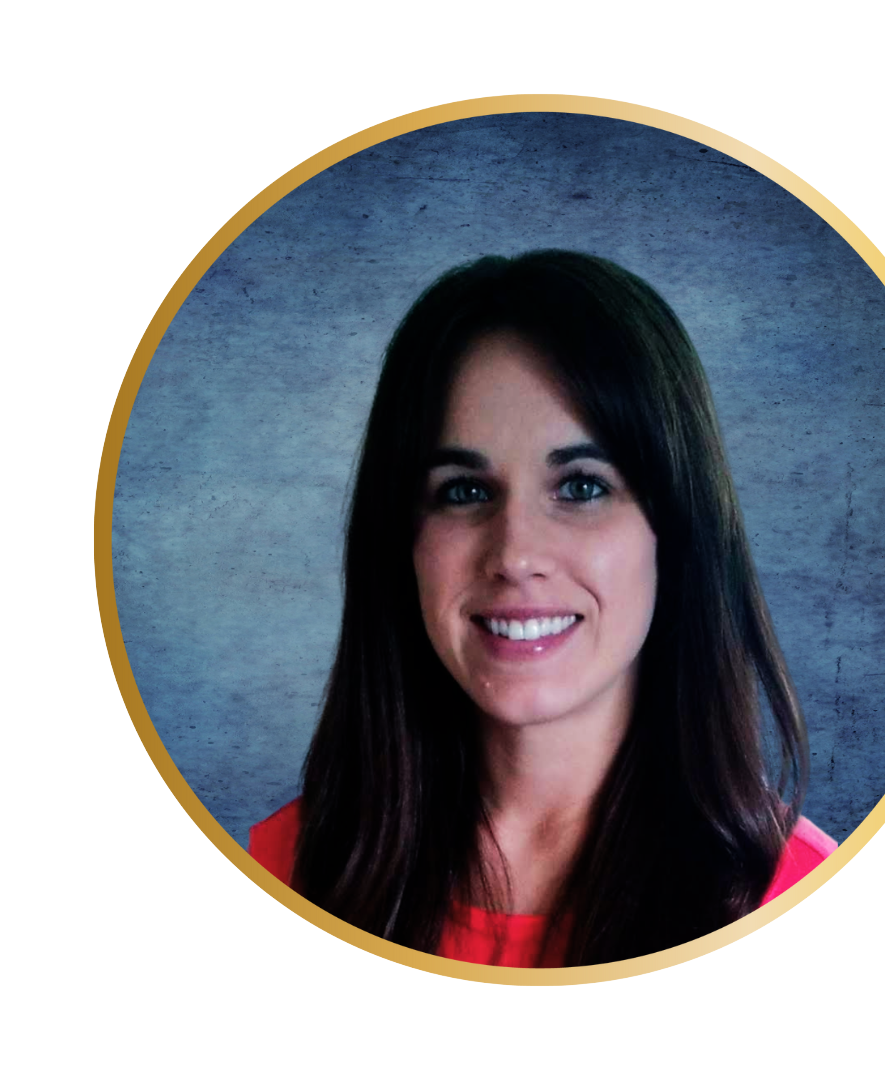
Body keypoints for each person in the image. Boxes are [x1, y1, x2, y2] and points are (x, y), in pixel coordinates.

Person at [249, 250, 837, 966]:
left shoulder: (790, 890)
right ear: (400, 542)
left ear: (675, 532)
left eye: (583, 487)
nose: (516, 552)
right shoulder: (284, 866)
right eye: (464, 491)